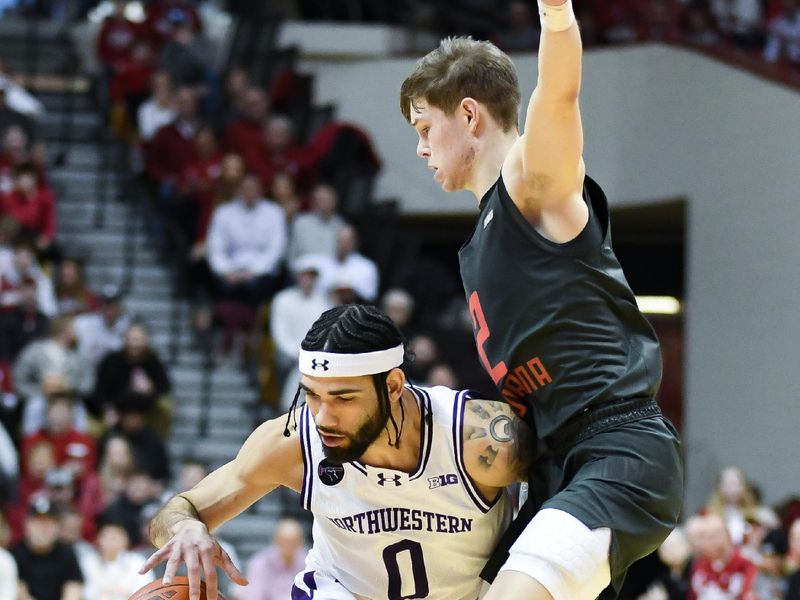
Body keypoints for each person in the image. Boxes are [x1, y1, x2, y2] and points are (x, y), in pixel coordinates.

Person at [399, 4, 684, 599]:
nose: (421, 148)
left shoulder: (529, 181)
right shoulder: (482, 236)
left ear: (470, 114)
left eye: (425, 128)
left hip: (615, 447)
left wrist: (556, 16)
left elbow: (557, 97)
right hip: (554, 467)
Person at [141, 304, 531, 600]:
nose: (324, 417)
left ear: (393, 386)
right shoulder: (293, 442)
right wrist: (185, 526)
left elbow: (574, 490)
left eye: (343, 398)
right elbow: (178, 509)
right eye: (312, 395)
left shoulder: (477, 437)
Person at [243, 518, 307, 600]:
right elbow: (255, 596)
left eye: (294, 541)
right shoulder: (260, 563)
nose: (289, 546)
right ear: (276, 540)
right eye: (284, 541)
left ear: (301, 542)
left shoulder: (309, 563)